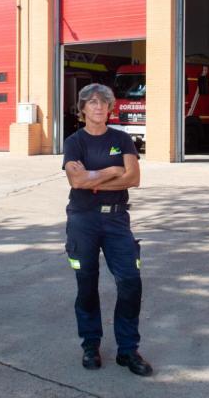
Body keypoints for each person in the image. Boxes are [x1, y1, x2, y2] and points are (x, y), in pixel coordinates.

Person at [62, 83, 152, 377]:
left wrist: (94, 178)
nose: (98, 107)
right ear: (83, 109)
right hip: (83, 220)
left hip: (116, 220)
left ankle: (128, 350)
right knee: (86, 285)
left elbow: (134, 178)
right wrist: (113, 171)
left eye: (104, 102)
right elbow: (76, 183)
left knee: (129, 281)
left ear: (110, 108)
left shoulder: (122, 139)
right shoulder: (74, 142)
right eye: (92, 102)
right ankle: (90, 344)